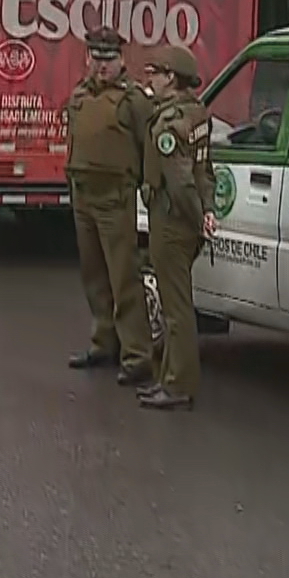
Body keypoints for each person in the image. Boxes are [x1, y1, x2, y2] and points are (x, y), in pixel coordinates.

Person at [63, 25, 157, 387]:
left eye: (109, 59)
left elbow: (147, 145)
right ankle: (103, 342)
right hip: (83, 193)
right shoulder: (80, 95)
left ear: (122, 60)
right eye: (96, 58)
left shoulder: (134, 100)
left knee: (124, 278)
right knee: (94, 275)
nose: (102, 66)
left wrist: (148, 187)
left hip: (115, 197)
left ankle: (137, 356)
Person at [137, 45, 216, 411]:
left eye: (155, 72)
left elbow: (182, 182)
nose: (149, 77)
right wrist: (208, 210)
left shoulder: (169, 125)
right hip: (184, 221)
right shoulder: (197, 114)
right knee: (177, 305)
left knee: (176, 308)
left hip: (170, 221)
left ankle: (178, 383)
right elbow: (205, 172)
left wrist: (195, 217)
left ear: (171, 78)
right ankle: (169, 377)